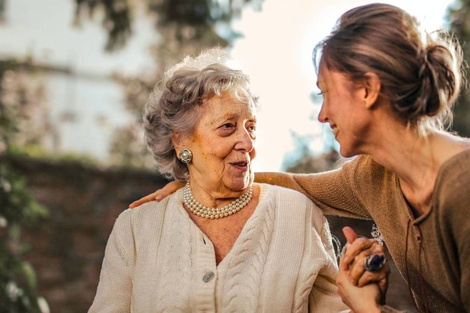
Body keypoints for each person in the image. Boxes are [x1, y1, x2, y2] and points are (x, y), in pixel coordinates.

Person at [130, 3, 470, 313]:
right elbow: (295, 185)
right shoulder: (373, 177)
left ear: (367, 90)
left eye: (326, 93)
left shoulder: (463, 187)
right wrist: (200, 179)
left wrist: (369, 311)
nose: (322, 115)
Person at [89, 48, 357, 312]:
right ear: (181, 140)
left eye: (250, 127)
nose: (247, 142)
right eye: (228, 126)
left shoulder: (298, 214)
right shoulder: (136, 229)